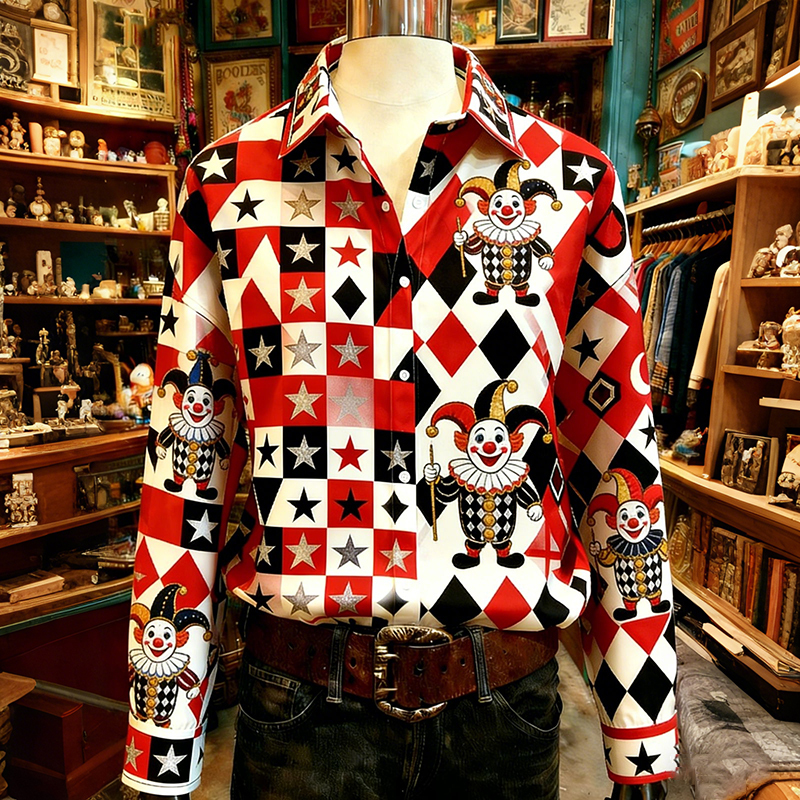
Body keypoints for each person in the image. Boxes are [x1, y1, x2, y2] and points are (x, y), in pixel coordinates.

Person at [126, 1, 676, 798]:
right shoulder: (226, 181)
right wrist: (161, 743)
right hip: (300, 712)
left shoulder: (574, 183)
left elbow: (616, 454)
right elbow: (186, 469)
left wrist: (640, 727)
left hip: (504, 710)